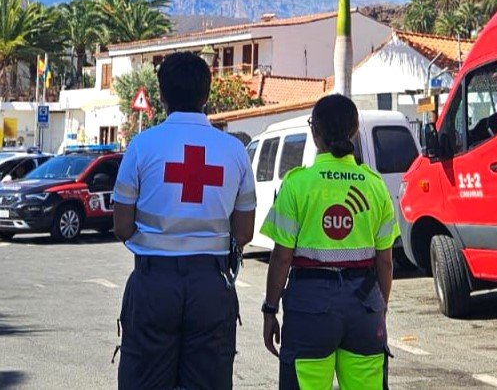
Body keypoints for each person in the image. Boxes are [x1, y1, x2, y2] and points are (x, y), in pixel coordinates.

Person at [111, 51, 257, 390]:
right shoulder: (233, 150)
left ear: (161, 94)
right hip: (210, 286)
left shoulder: (142, 145)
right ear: (206, 95)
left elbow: (121, 226)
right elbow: (244, 232)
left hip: (153, 284)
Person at [260, 94, 399, 389]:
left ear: (315, 133)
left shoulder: (298, 184)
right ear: (354, 130)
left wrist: (270, 309)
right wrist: (379, 310)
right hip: (364, 305)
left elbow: (282, 258)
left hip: (310, 306)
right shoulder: (374, 186)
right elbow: (385, 262)